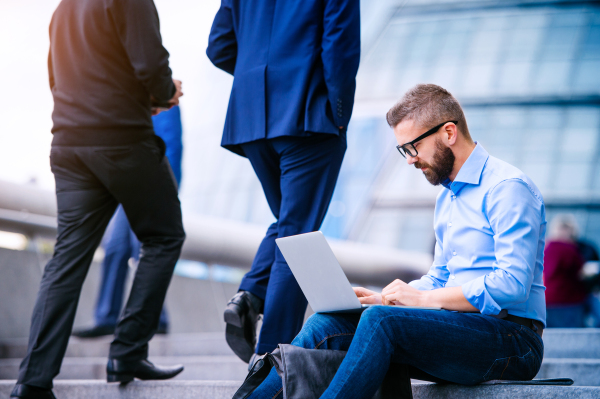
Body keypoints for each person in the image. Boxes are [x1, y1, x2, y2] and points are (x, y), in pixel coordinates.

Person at [245, 84, 547, 398]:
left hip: (513, 340)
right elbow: (441, 277)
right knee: (327, 323)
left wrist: (423, 301)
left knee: (381, 322)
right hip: (458, 326)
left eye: (412, 147)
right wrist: (388, 299)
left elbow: (512, 284)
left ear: (448, 133)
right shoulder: (448, 196)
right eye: (404, 150)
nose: (409, 160)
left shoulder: (508, 188)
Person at [11, 1, 186, 398]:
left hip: (69, 145)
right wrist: (166, 92)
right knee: (164, 236)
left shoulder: (63, 9)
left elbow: (57, 77)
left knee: (67, 257)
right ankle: (126, 352)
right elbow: (150, 64)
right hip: (122, 140)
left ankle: (33, 381)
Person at [206, 0, 360, 365]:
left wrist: (257, 76)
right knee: (297, 235)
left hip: (253, 119)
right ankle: (272, 357)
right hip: (309, 115)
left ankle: (250, 296)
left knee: (289, 222)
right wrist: (338, 113)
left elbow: (219, 46)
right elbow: (339, 43)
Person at [72, 106, 184, 338]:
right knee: (115, 247)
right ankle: (107, 318)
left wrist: (165, 188)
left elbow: (172, 144)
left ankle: (156, 317)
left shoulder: (162, 93)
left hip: (153, 184)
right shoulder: (123, 93)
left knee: (143, 247)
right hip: (127, 184)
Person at [544, 214, 596, 327]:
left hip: (549, 300)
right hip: (569, 300)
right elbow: (581, 273)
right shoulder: (569, 249)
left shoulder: (546, 247)